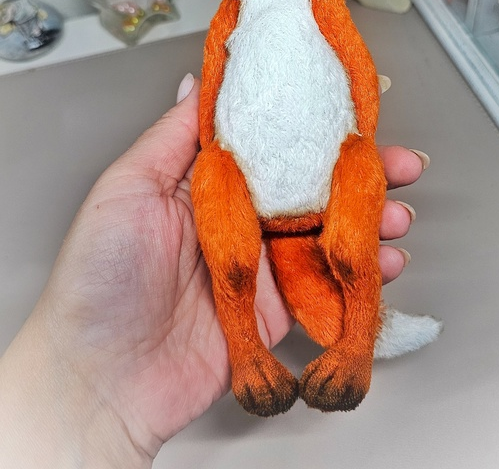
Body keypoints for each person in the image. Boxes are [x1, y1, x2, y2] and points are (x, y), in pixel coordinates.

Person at [0, 73, 430, 468]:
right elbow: (212, 118)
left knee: (356, 207)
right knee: (218, 189)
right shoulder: (235, 26)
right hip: (247, 194)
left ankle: (358, 341)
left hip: (319, 191)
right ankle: (249, 353)